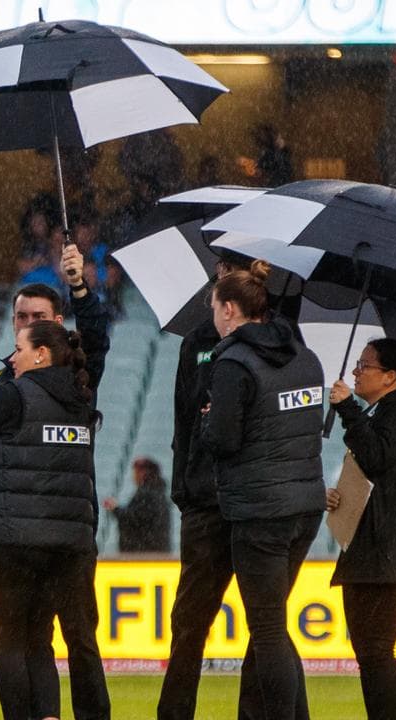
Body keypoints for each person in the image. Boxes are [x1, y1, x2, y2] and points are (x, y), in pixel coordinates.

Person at [0, 245, 112, 720]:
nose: (25, 323)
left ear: (54, 325)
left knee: (68, 640)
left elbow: (96, 336)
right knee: (40, 640)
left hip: (42, 534)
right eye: (20, 316)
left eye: (36, 316)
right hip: (63, 532)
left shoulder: (79, 381)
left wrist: (80, 288)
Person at [200, 260, 325, 720]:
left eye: (214, 307)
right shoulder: (305, 354)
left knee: (268, 629)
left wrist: (210, 419)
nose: (213, 317)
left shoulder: (232, 362)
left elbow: (223, 440)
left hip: (260, 510)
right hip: (305, 505)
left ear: (230, 309)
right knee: (272, 624)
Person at [326, 338, 396, 720]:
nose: (356, 371)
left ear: (390, 376)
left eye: (364, 365)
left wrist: (347, 409)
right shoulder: (386, 413)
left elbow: (375, 458)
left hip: (387, 556)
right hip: (377, 553)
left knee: (375, 653)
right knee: (370, 654)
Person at [157, 261, 238, 720]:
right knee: (188, 624)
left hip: (250, 504)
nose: (219, 274)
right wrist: (184, 491)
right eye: (219, 267)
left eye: (229, 268)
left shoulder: (281, 340)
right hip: (205, 502)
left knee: (267, 628)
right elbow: (182, 423)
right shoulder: (196, 341)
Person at [103, 457, 170, 553]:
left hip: (141, 554)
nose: (133, 476)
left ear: (142, 473)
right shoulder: (159, 493)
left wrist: (115, 509)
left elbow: (134, 518)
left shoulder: (146, 494)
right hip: (158, 552)